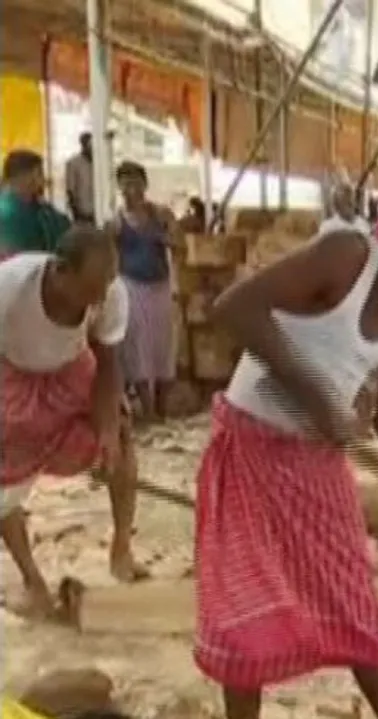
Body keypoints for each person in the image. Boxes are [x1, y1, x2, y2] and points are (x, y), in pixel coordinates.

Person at [193, 205, 378, 719]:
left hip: (316, 461)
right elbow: (234, 308)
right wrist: (314, 395)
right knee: (245, 614)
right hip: (248, 448)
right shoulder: (347, 258)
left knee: (354, 604)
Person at [1, 226, 150, 620]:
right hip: (10, 374)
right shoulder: (9, 288)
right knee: (4, 480)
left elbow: (108, 363)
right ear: (61, 271)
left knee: (118, 434)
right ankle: (33, 584)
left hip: (70, 370)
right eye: (91, 287)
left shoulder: (110, 293)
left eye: (107, 284)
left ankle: (121, 551)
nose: (101, 296)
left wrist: (104, 429)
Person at [106, 162, 179, 422]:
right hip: (131, 286)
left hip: (159, 285)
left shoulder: (161, 215)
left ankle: (162, 406)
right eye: (125, 184)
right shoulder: (115, 222)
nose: (131, 189)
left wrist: (167, 236)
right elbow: (110, 258)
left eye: (135, 183)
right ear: (119, 188)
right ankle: (148, 411)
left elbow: (179, 244)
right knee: (138, 347)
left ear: (145, 185)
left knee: (162, 346)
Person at [0, 150, 72, 257]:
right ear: (27, 177)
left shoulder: (42, 209)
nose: (43, 180)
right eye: (40, 173)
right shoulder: (6, 212)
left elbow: (67, 231)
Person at [64, 132, 108, 224]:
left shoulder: (99, 162)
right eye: (88, 144)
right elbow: (70, 190)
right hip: (82, 212)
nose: (91, 147)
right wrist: (75, 212)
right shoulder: (73, 163)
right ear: (83, 145)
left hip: (99, 211)